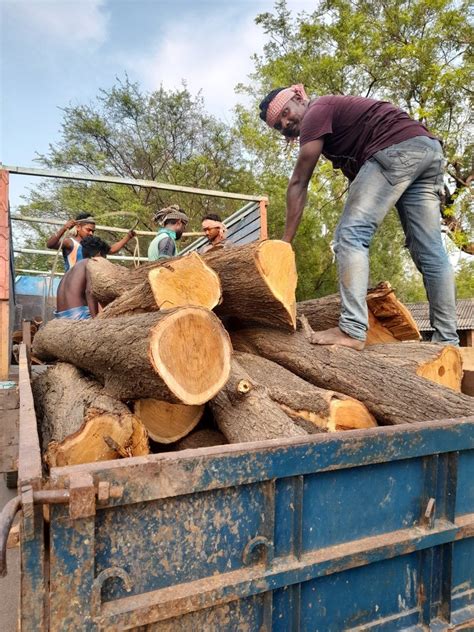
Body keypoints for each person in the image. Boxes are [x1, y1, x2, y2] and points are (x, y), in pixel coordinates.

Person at [259, 84, 458, 349]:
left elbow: (298, 182)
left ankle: (352, 329)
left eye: (285, 112)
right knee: (429, 250)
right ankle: (448, 341)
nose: (286, 122)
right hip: (426, 149)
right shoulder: (336, 123)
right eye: (279, 125)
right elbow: (364, 181)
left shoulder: (317, 110)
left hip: (396, 147)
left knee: (350, 236)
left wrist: (284, 243)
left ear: (298, 99)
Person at [47, 212, 136, 271]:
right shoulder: (70, 242)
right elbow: (50, 244)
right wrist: (64, 228)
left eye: (93, 231)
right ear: (78, 227)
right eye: (88, 230)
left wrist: (128, 237)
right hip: (72, 284)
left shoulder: (94, 244)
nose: (91, 233)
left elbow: (111, 250)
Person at [54, 236, 110, 320]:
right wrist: (95, 319)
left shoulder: (73, 268)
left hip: (60, 316)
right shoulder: (91, 263)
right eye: (104, 256)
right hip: (78, 315)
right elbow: (90, 291)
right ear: (99, 254)